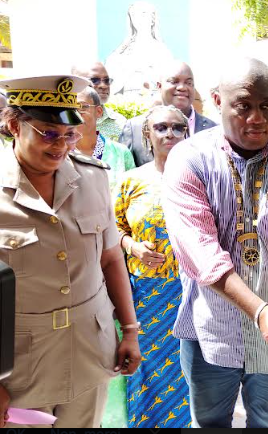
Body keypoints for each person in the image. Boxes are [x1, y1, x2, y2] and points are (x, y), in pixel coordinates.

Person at [162, 58, 268, 428]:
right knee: (208, 423)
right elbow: (201, 251)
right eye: (244, 106)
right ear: (218, 101)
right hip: (211, 329)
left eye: (267, 106)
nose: (257, 118)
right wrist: (260, 310)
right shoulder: (189, 160)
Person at [0, 75, 141, 428]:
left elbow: (110, 259)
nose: (60, 146)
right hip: (18, 365)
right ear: (15, 125)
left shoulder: (92, 177)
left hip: (88, 349)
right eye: (48, 132)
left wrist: (129, 331)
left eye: (70, 134)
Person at [114, 105, 191, 428]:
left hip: (188, 295)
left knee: (186, 371)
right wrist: (132, 246)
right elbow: (111, 229)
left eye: (177, 128)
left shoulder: (200, 180)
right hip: (144, 297)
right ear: (147, 134)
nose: (170, 134)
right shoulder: (131, 182)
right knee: (144, 369)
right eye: (161, 128)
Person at [119, 61, 217, 167]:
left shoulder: (214, 130)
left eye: (189, 83)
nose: (182, 87)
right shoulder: (135, 129)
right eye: (174, 81)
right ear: (159, 86)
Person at [105, 1, 175, 97]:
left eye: (143, 13)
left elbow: (169, 82)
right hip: (126, 101)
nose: (138, 17)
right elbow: (110, 84)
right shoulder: (121, 52)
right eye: (134, 14)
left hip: (153, 100)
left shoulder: (162, 51)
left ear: (152, 19)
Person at [75, 87, 135, 190]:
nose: (76, 114)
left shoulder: (120, 152)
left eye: (82, 107)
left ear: (98, 111)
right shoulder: (60, 152)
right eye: (69, 109)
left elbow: (132, 192)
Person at [71, 62, 127, 141]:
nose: (104, 86)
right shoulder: (61, 119)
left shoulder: (121, 123)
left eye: (107, 80)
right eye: (94, 80)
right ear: (74, 83)